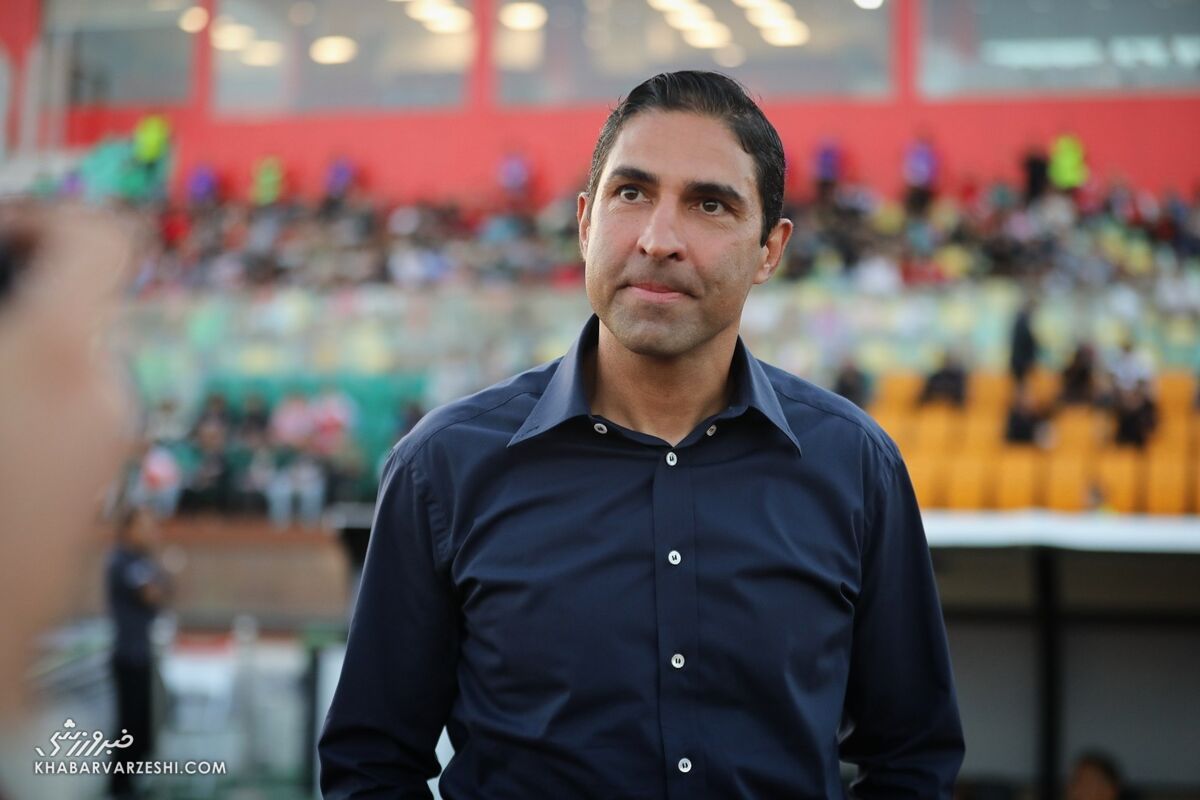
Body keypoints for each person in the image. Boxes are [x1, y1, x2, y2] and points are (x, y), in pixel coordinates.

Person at [319, 71, 963, 799]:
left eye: (710, 205)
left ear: (769, 250)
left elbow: (913, 759)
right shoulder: (443, 468)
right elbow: (370, 765)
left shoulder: (855, 467)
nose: (659, 240)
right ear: (585, 222)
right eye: (631, 193)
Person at [106, 505, 170, 799]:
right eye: (143, 526)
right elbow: (151, 594)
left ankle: (132, 782)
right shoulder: (122, 561)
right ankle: (119, 787)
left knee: (146, 725)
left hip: (143, 653)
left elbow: (166, 590)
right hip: (128, 654)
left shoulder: (141, 562)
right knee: (129, 727)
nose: (149, 532)